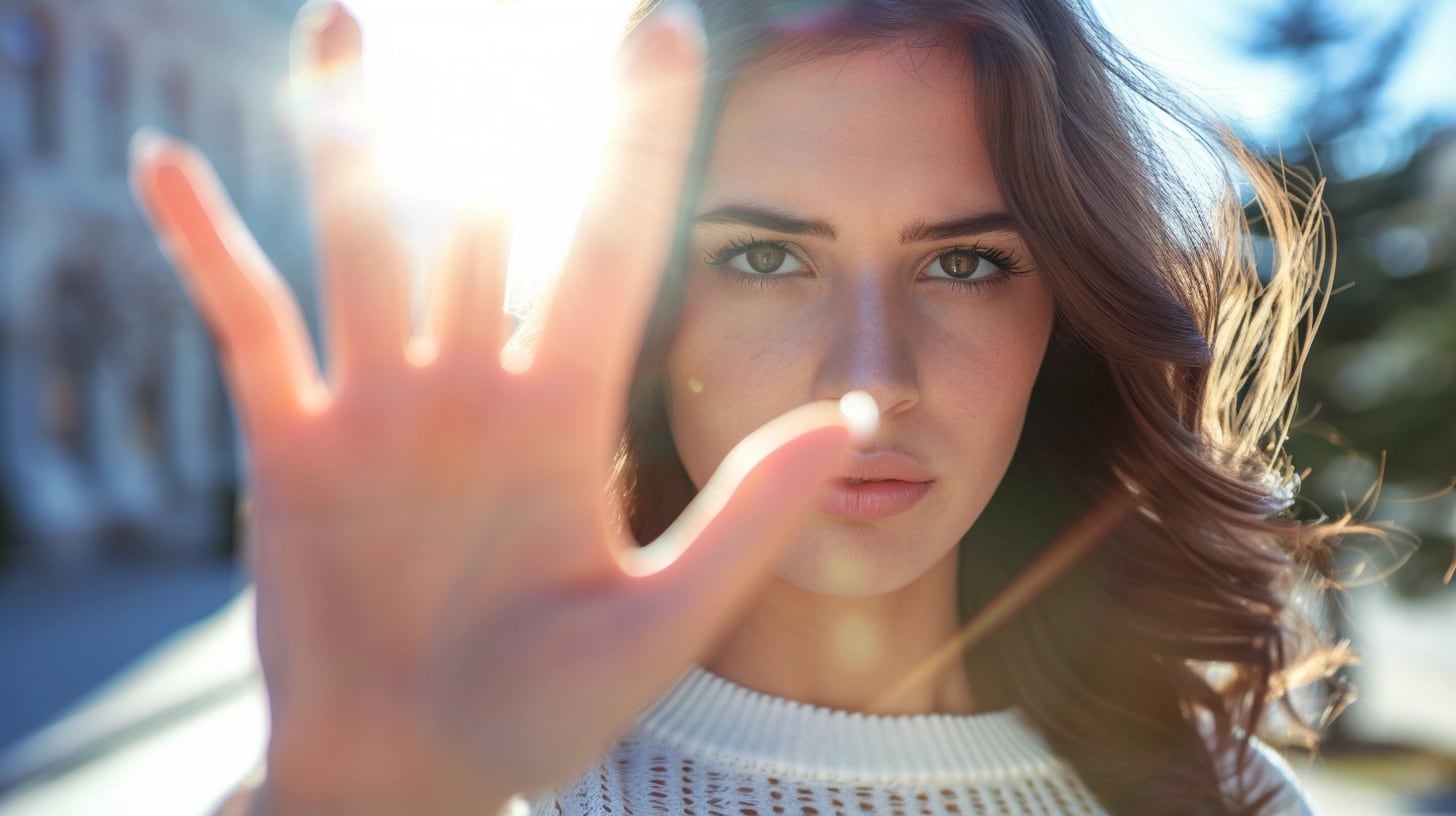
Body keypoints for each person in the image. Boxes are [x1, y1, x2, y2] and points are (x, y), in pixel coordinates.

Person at [131, 0, 1342, 813]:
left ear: (1065, 316)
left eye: (965, 264)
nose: (868, 378)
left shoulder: (1211, 789)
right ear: (652, 309)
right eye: (765, 260)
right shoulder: (477, 756)